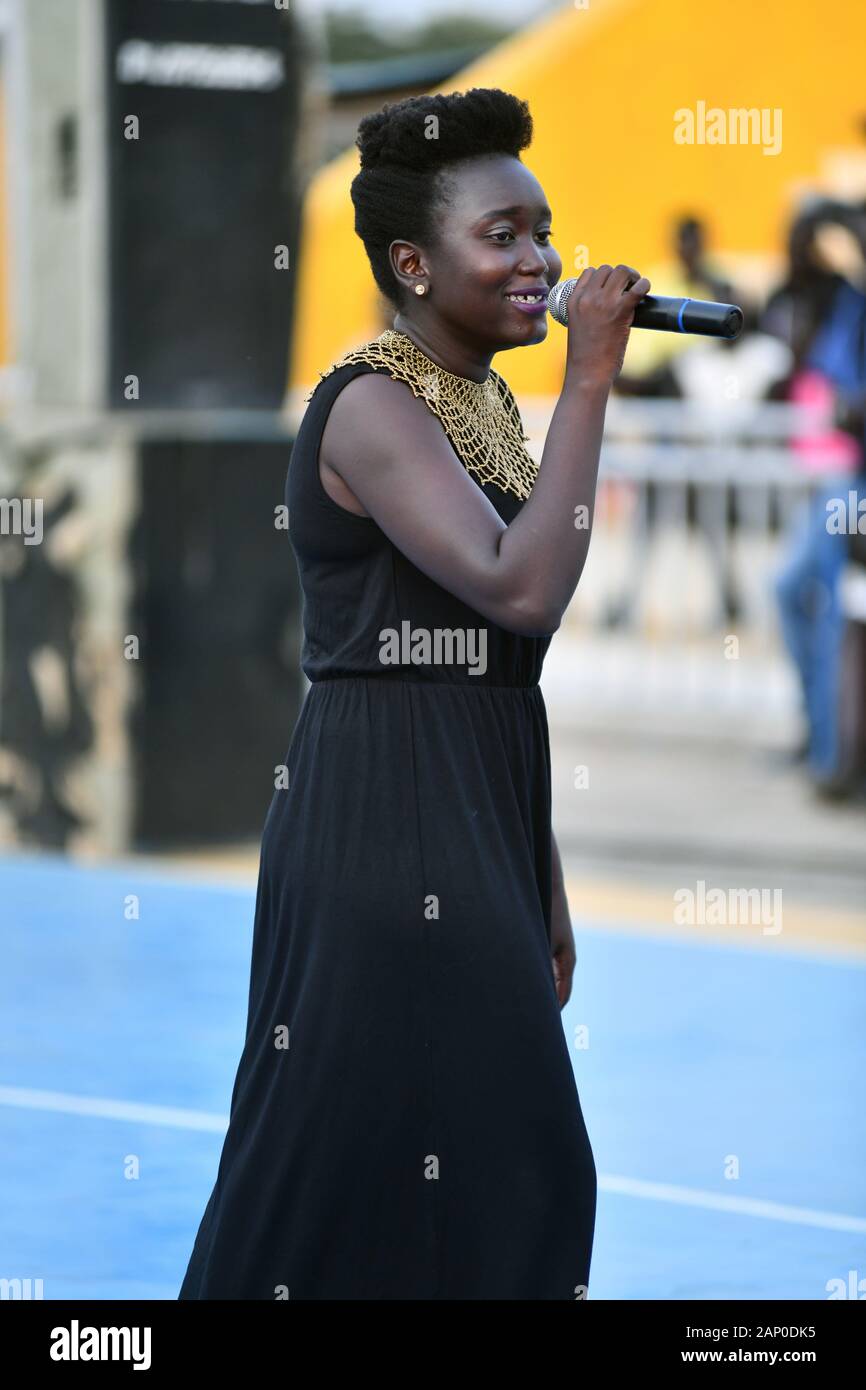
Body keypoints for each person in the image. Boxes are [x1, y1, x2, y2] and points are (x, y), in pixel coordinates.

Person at [178, 87, 649, 1301]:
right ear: (411, 263)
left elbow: (495, 667)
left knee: (464, 1160)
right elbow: (521, 588)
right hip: (381, 814)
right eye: (502, 236)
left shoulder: (476, 398)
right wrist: (590, 379)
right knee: (379, 1153)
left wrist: (535, 865)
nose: (539, 260)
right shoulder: (371, 404)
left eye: (543, 231)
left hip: (470, 801)